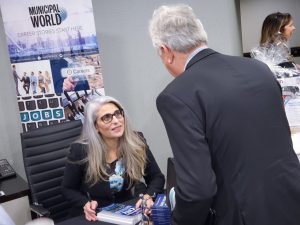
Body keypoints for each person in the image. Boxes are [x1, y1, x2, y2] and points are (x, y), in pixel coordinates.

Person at [149, 4, 300, 225]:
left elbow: (198, 189)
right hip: (290, 200)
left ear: (166, 51)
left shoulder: (176, 96)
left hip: (241, 215)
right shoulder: (258, 69)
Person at [62, 95, 165, 221]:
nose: (116, 120)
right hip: (97, 214)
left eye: (118, 114)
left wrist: (148, 196)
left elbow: (156, 177)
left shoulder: (136, 141)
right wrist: (85, 203)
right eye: (107, 118)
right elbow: (68, 189)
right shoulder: (81, 150)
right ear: (95, 126)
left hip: (129, 209)